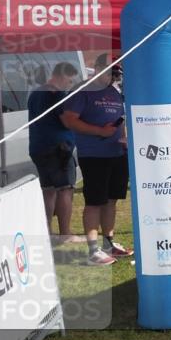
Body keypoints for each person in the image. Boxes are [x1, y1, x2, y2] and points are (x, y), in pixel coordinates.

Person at [61, 55, 132, 266]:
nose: (111, 76)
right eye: (109, 70)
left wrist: (125, 137)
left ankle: (109, 242)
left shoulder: (114, 92)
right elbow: (69, 119)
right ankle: (93, 250)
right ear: (97, 67)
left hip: (117, 153)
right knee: (94, 201)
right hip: (94, 155)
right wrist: (99, 131)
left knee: (111, 199)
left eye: (114, 72)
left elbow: (121, 120)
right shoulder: (84, 91)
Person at [28, 62, 85, 244]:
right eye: (69, 80)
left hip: (38, 146)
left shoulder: (36, 93)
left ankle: (47, 231)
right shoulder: (58, 94)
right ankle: (65, 233)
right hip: (58, 148)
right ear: (60, 76)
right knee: (65, 189)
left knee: (48, 190)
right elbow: (67, 121)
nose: (69, 85)